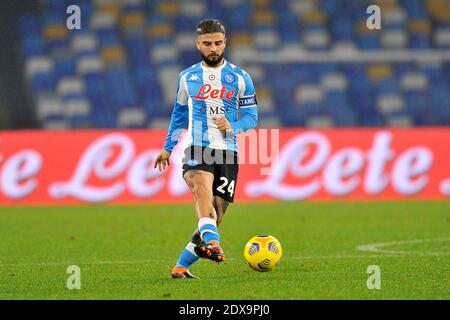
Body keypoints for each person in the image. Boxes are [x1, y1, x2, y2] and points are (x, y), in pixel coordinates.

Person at [154, 19, 258, 279]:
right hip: (196, 147)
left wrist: (233, 125)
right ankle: (212, 243)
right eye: (208, 43)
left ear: (225, 43)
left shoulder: (241, 78)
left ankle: (181, 266)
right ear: (197, 44)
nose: (214, 48)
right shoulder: (187, 77)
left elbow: (252, 117)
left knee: (216, 214)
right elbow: (178, 116)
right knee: (202, 192)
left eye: (218, 43)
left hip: (227, 151)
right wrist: (168, 148)